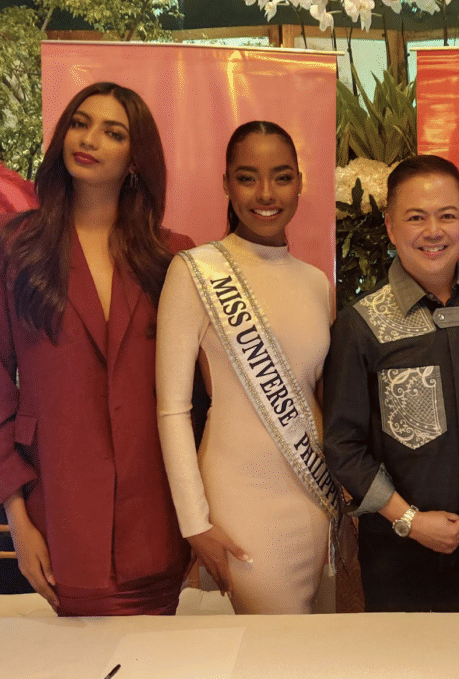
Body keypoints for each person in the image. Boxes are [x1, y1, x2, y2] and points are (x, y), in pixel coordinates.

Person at [0, 82, 193, 616]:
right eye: (80, 122)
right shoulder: (10, 244)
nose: (88, 139)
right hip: (59, 517)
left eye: (112, 132)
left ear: (135, 158)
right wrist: (18, 524)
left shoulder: (173, 256)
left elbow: (201, 403)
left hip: (158, 522)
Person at [156, 121, 338, 614]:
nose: (265, 193)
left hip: (314, 496)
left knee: (316, 653)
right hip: (242, 502)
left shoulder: (317, 283)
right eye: (247, 177)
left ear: (300, 182)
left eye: (281, 177)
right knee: (272, 656)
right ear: (226, 183)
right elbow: (171, 409)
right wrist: (194, 521)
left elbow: (318, 396)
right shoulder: (194, 270)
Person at [323, 155, 459, 613]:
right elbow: (343, 445)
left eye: (447, 216)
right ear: (390, 228)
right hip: (397, 547)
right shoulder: (362, 324)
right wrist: (410, 520)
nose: (434, 231)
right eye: (416, 217)